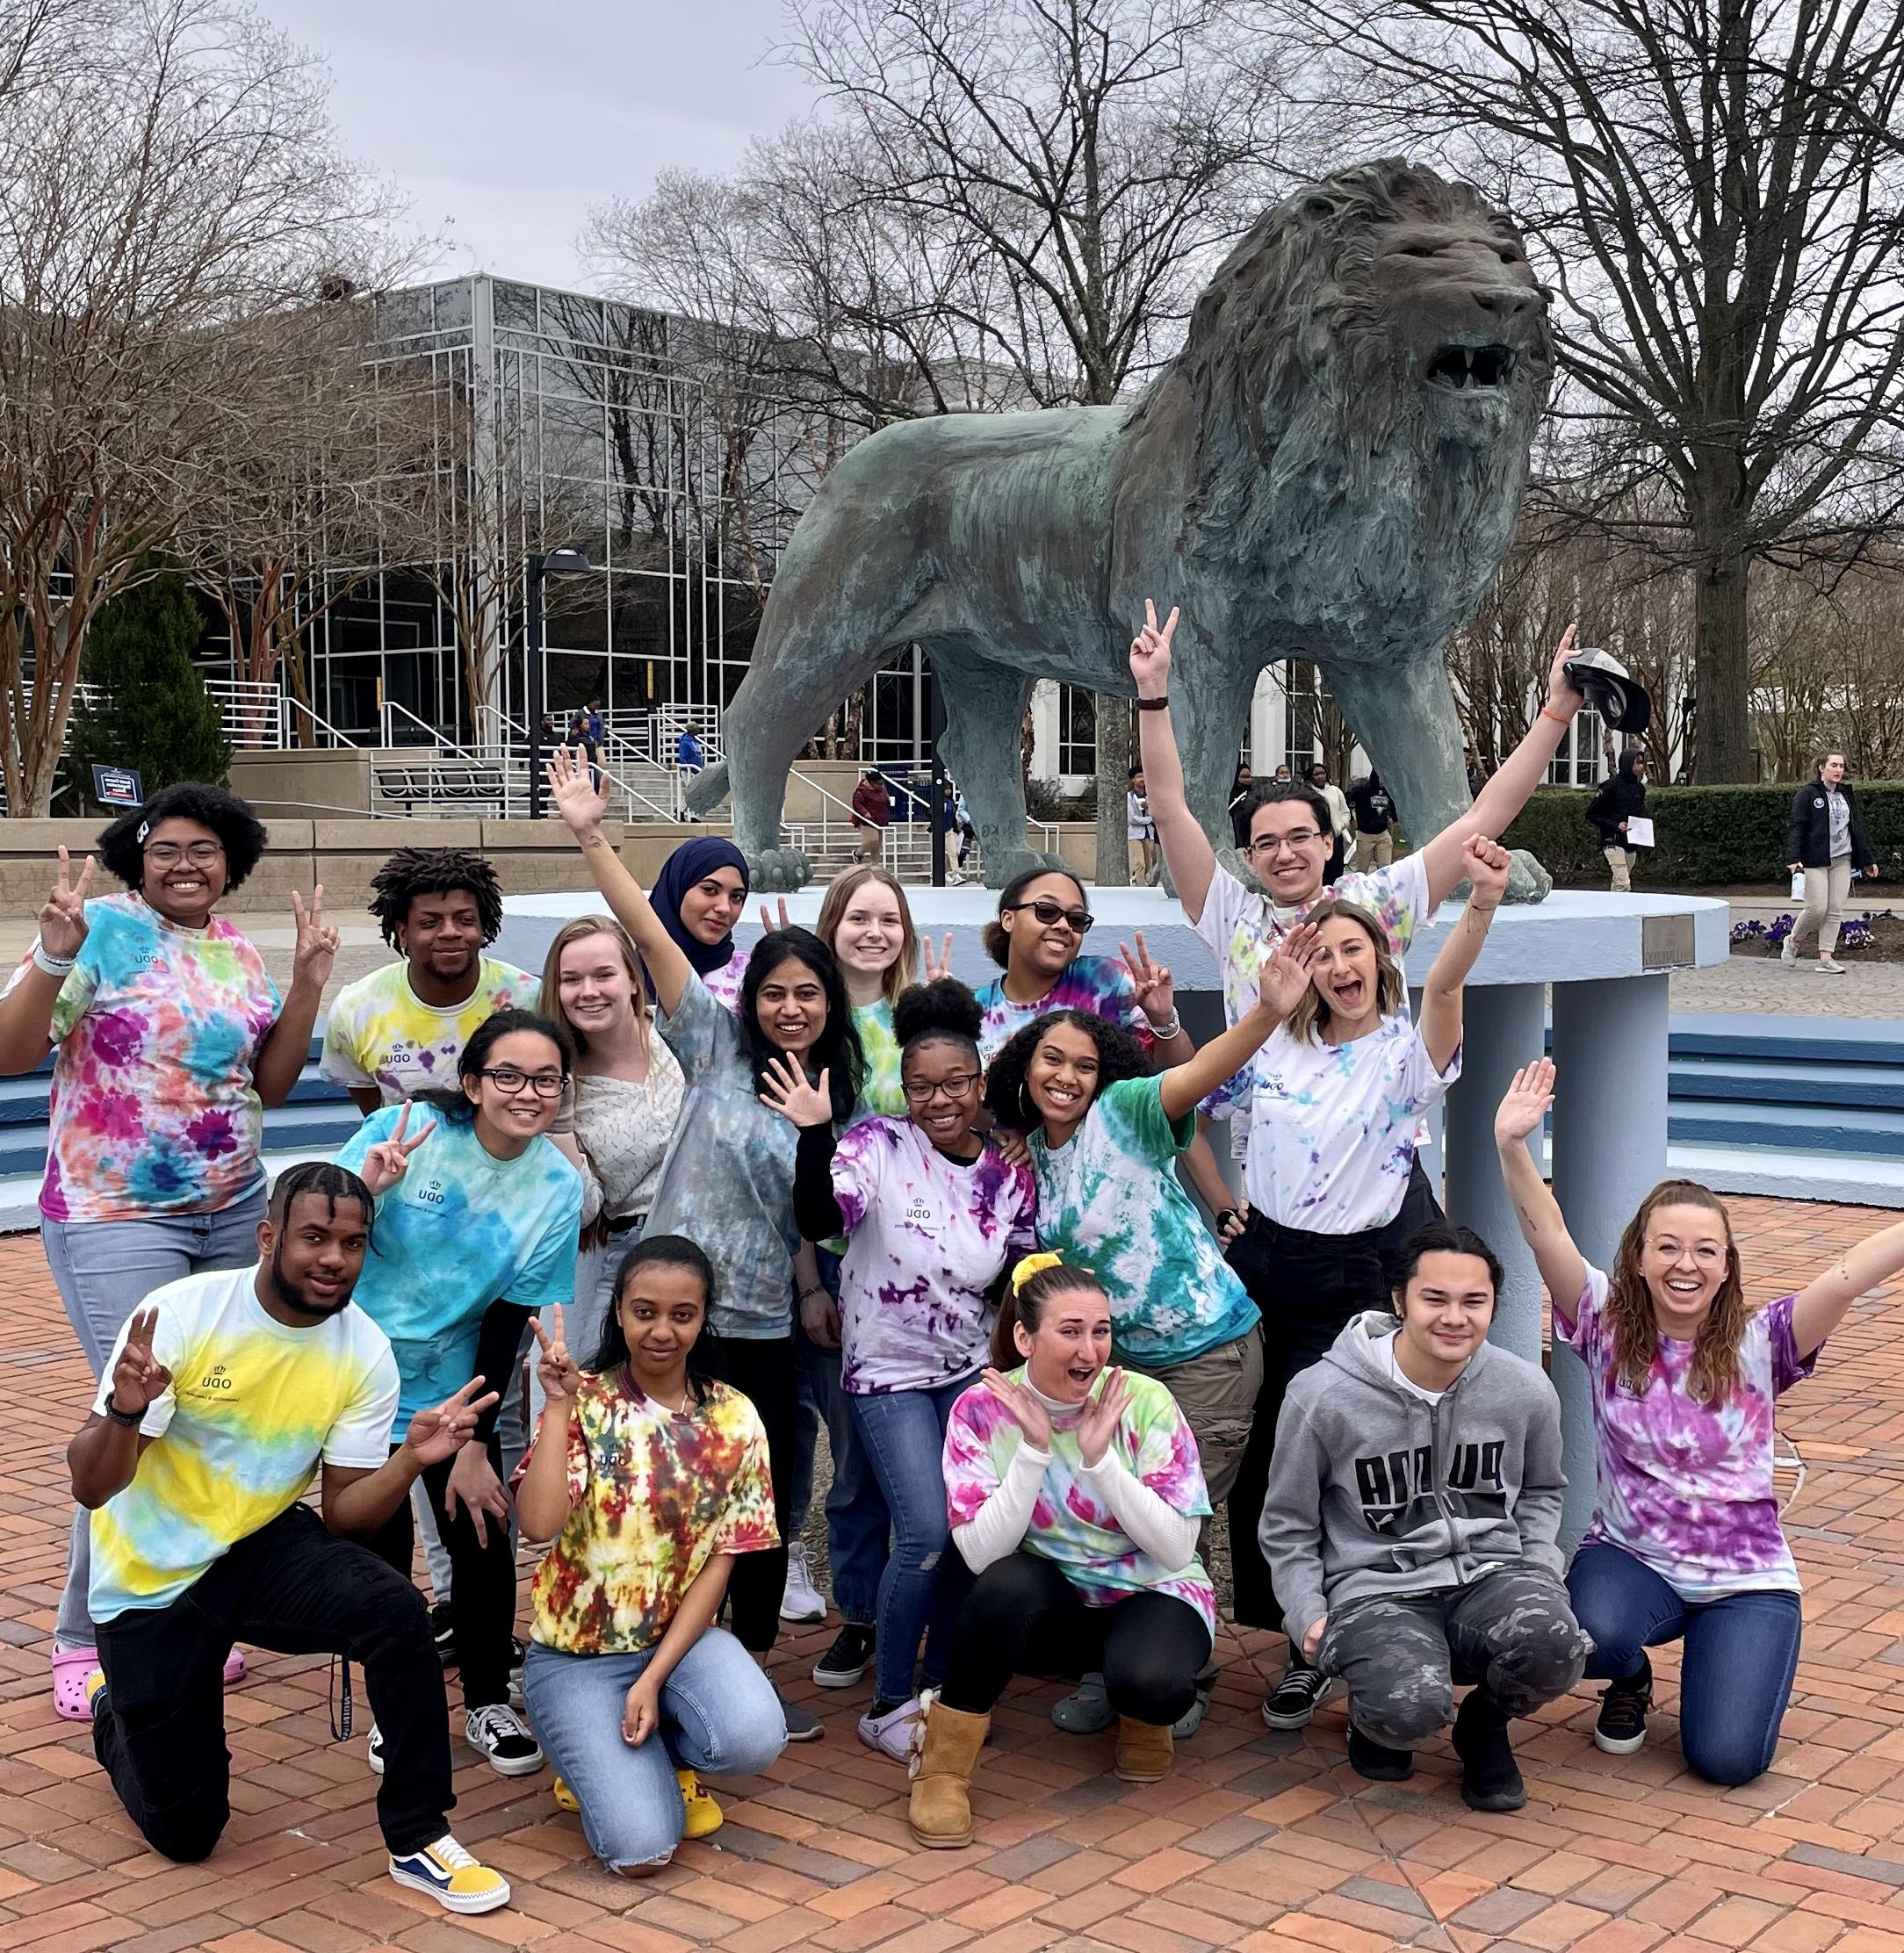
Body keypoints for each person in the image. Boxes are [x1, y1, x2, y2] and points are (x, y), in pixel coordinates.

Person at [1133, 598, 1584, 1700]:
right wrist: (1151, 693)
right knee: (1291, 1425)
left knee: (1409, 1415)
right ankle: (1295, 1632)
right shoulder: (1234, 923)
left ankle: (1428, 1598)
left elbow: (1486, 812)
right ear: (1249, 857)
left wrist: (1556, 712)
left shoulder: (1375, 911)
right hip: (1277, 1197)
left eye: (1301, 837)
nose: (1284, 854)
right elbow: (1168, 803)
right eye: (1266, 841)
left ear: (1331, 848)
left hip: (1382, 1199)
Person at [72, 1162, 512, 1913]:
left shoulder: (362, 1352)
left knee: (395, 1611)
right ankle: (117, 1708)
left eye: (351, 1241)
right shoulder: (180, 1314)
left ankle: (418, 1835)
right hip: (151, 1578)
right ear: (269, 1235)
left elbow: (344, 1518)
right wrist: (122, 1410)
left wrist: (410, 1457)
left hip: (258, 1545)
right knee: (187, 1832)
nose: (333, 1258)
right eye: (313, 1236)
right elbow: (92, 1486)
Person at [0, 787, 337, 1720]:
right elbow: (11, 1050)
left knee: (209, 1412)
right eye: (166, 849)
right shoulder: (100, 929)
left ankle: (184, 1603)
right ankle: (84, 1633)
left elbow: (266, 1080)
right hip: (115, 1213)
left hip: (231, 1211)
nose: (185, 863)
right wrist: (53, 952)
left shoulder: (233, 950)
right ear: (136, 856)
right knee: (134, 1411)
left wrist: (305, 983)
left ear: (232, 862)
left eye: (206, 849)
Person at [549, 746, 864, 1740]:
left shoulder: (836, 1095)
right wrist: (593, 832)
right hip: (663, 1306)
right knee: (631, 1474)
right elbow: (645, 926)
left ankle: (746, 1660)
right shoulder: (717, 1042)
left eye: (807, 996)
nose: (789, 1007)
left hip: (761, 1312)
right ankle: (612, 1641)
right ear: (754, 999)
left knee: (752, 1492)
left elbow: (812, 1216)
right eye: (775, 992)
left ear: (827, 1004)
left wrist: (816, 1129)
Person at [1495, 1058, 1903, 1785]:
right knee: (1587, 1636)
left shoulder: (1763, 1341)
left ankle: (1729, 1664)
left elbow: (1846, 1275)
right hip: (1632, 1559)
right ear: (1641, 1259)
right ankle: (1631, 1677)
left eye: (1705, 1250)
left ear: (1725, 1266)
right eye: (1668, 1247)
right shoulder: (1603, 1322)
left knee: (1726, 1761)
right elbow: (1546, 1235)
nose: (1686, 1264)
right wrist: (1513, 1147)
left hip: (1745, 1578)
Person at [1233, 837, 1511, 1726]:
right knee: (1273, 1452)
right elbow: (1202, 1109)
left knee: (1353, 1462)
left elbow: (1444, 988)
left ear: (1376, 961)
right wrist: (1227, 1205)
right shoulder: (1273, 1044)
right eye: (1321, 953)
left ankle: (1369, 1636)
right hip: (1269, 1267)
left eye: (1352, 948)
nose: (1338, 964)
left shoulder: (1402, 1055)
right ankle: (1296, 1630)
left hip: (1357, 1279)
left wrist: (1478, 904)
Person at [984, 990, 1286, 1735]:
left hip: (1210, 1348)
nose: (1068, 1076)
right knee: (1119, 1512)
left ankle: (1178, 1668)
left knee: (1168, 1515)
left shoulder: (1125, 1114)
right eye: (1051, 1059)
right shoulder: (1030, 1157)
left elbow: (1199, 1074)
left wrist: (1268, 1013)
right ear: (1025, 1068)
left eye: (1084, 1065)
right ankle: (1119, 1662)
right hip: (1118, 1366)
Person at [768, 980, 1035, 1760]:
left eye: (956, 1084)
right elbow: (822, 1220)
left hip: (965, 1372)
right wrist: (816, 1135)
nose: (939, 1099)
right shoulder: (874, 1146)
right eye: (921, 1087)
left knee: (964, 1531)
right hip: (886, 1374)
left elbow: (1014, 1281)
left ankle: (945, 1688)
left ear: (981, 1086)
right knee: (919, 1531)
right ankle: (889, 1702)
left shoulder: (1009, 1174)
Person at [1259, 1223, 1590, 1812]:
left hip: (1490, 1576)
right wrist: (1306, 1610)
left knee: (1556, 1643)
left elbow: (1542, 1489)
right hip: (1376, 1591)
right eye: (1435, 1299)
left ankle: (1484, 1726)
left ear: (1493, 1305)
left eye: (1474, 1301)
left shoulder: (1523, 1390)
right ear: (1399, 1301)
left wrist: (1541, 1569)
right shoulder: (1322, 1396)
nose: (1454, 1317)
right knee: (1405, 1710)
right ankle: (1378, 1714)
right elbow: (1288, 1520)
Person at [338, 1009, 584, 1777]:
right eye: (507, 1075)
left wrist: (476, 1437)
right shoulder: (404, 1129)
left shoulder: (555, 1185)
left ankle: (485, 1699)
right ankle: (396, 1709)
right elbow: (318, 1229)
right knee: (379, 1551)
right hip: (357, 1373)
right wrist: (370, 1186)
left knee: (481, 1536)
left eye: (545, 1078)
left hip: (456, 1381)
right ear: (472, 1084)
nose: (527, 1092)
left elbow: (512, 1315)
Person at [908, 1259, 1215, 1848]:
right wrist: (1033, 1451)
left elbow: (1177, 1549)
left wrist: (1101, 1462)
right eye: (1071, 1331)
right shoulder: (982, 1408)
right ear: (1025, 1338)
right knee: (1001, 1587)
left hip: (1149, 1589)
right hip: (1056, 1598)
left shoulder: (1143, 1401)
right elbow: (977, 1554)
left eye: (1100, 1331)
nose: (1091, 1349)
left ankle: (1138, 1709)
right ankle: (943, 1768)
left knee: (1155, 1684)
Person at [516, 1236, 787, 1871]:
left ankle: (653, 1746)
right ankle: (593, 1763)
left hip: (682, 1644)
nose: (661, 1331)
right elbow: (536, 1524)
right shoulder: (586, 1403)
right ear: (618, 1312)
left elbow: (721, 1563)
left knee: (753, 1739)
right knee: (642, 1849)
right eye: (644, 1312)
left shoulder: (735, 1418)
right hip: (575, 1656)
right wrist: (556, 1405)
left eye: (682, 1315)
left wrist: (653, 1677)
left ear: (703, 1317)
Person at [788, 867, 920, 1676]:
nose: (874, 932)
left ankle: (924, 1603)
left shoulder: (920, 1018)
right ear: (832, 923)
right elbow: (791, 1171)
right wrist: (808, 1282)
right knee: (855, 1458)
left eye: (889, 919)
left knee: (925, 1455)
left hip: (927, 1273)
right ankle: (863, 1611)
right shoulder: (811, 1030)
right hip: (840, 1267)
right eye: (859, 918)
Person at [540, 915, 685, 1356]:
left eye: (604, 974)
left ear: (634, 980)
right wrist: (560, 1128)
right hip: (622, 1256)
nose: (588, 991)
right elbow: (584, 1214)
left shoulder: (676, 1036)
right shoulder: (554, 1079)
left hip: (707, 1239)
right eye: (571, 979)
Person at [323, 847, 539, 1114]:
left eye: (465, 920)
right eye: (429, 923)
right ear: (403, 933)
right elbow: (376, 1112)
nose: (450, 932)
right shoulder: (356, 1008)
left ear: (483, 928)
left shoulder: (529, 997)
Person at [973, 867, 1189, 1065]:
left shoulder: (1105, 984)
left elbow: (1180, 1081)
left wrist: (1163, 1019)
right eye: (1046, 912)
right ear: (1008, 919)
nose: (1063, 926)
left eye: (1076, 920)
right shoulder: (976, 1011)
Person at [1785, 751, 1878, 975]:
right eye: (1834, 765)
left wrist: (1867, 860)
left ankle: (1826, 958)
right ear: (1822, 767)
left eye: (1842, 766)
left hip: (1842, 859)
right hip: (1815, 860)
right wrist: (1793, 859)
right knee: (1817, 908)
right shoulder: (1808, 794)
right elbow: (1798, 827)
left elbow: (1856, 829)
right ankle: (1794, 941)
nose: (1838, 770)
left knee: (1835, 909)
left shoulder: (1846, 794)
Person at [650, 836, 751, 1011]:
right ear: (678, 887)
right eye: (710, 890)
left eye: (736, 897)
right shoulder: (622, 973)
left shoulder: (751, 975)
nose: (724, 908)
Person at [1585, 751, 1648, 894]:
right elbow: (1592, 813)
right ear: (1628, 763)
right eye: (1638, 762)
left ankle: (1612, 909)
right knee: (1622, 882)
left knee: (1620, 880)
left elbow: (1639, 812)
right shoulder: (1610, 786)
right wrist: (1615, 825)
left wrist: (1643, 830)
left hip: (1631, 842)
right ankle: (1623, 912)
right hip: (1612, 841)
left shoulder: (1639, 788)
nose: (1642, 766)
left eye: (1643, 762)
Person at [1308, 762, 1352, 885]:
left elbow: (1345, 811)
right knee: (1319, 871)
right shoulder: (1307, 793)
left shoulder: (1335, 791)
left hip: (1335, 837)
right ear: (1310, 776)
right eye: (1316, 774)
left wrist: (1340, 825)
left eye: (1322, 773)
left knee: (1336, 871)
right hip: (1316, 838)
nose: (1320, 776)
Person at [1347, 769, 1397, 870]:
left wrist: (1392, 817)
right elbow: (1345, 802)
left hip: (1383, 834)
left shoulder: (1387, 791)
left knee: (1385, 869)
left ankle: (1383, 885)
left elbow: (1393, 804)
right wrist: (1351, 819)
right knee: (1361, 870)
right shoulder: (1361, 790)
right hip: (1365, 834)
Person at [850, 768, 891, 862]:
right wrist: (866, 813)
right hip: (868, 821)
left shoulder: (882, 790)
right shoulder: (862, 790)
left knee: (877, 848)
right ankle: (858, 853)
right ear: (872, 782)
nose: (881, 785)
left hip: (880, 820)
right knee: (873, 840)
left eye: (882, 783)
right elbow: (857, 804)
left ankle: (875, 867)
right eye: (878, 783)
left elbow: (885, 802)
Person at [1127, 765, 1158, 885]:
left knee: (1148, 864)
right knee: (1140, 863)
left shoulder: (1150, 796)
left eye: (1144, 776)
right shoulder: (1129, 797)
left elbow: (1155, 813)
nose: (1142, 779)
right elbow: (1132, 818)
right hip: (1135, 834)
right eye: (1139, 777)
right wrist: (1150, 820)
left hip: (1148, 834)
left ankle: (1136, 879)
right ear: (1133, 779)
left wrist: (1149, 809)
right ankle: (1140, 886)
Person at [1228, 762, 1254, 850]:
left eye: (1248, 777)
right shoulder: (1230, 793)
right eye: (1243, 777)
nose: (1247, 780)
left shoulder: (1255, 792)